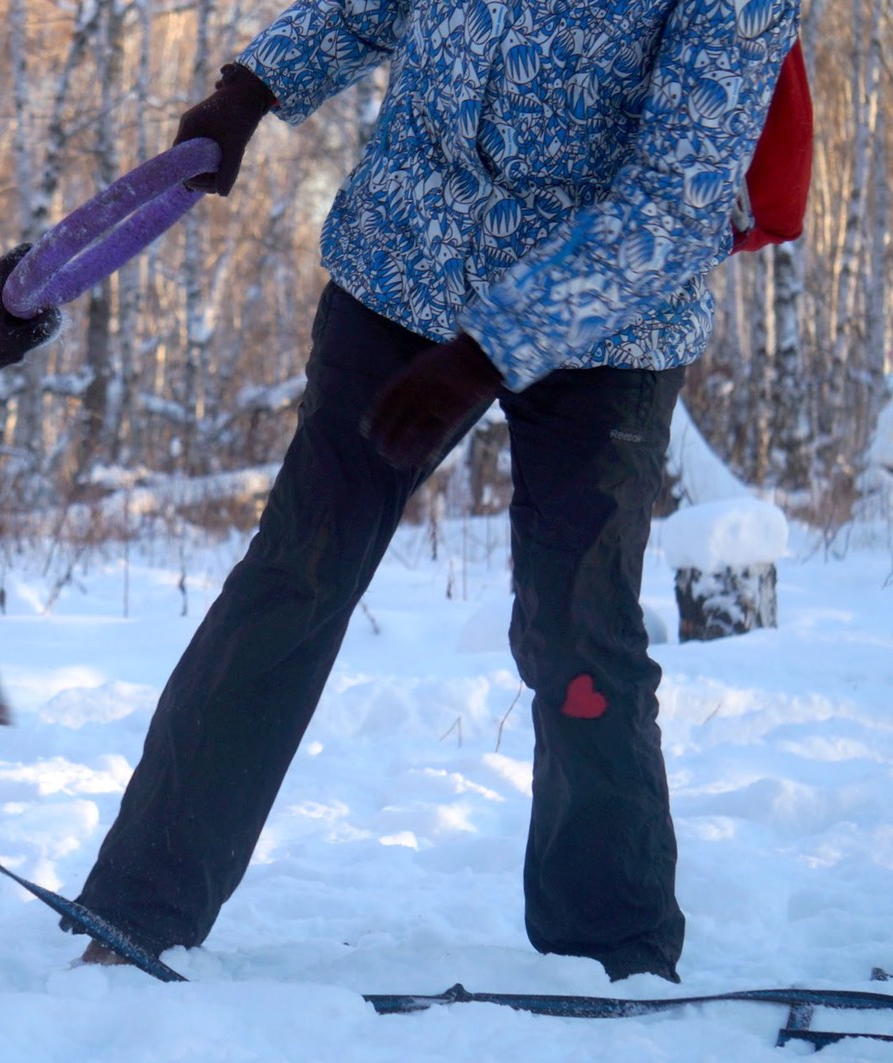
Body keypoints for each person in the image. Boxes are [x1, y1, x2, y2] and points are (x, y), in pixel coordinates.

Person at [66, 0, 802, 983]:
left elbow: (675, 199)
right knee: (291, 580)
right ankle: (137, 911)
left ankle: (612, 947)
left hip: (606, 324)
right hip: (400, 267)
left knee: (578, 630)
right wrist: (246, 93)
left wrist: (489, 349)